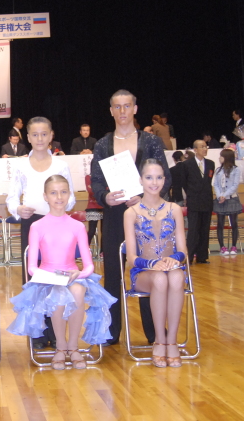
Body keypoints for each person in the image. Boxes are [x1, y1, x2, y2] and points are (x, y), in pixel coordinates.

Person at [7, 175, 115, 370]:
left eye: (63, 192)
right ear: (45, 196)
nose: (59, 197)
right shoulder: (37, 226)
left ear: (69, 194)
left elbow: (89, 266)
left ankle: (73, 347)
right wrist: (52, 277)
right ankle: (61, 346)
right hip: (47, 278)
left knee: (78, 291)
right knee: (58, 293)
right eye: (53, 193)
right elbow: (32, 267)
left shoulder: (77, 226)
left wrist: (78, 274)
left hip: (73, 275)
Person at [91, 89, 170, 346]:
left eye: (127, 106)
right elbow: (97, 181)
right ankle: (111, 332)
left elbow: (166, 178)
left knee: (149, 270)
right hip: (115, 216)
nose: (122, 111)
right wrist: (105, 197)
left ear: (135, 109)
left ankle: (154, 332)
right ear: (111, 110)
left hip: (146, 216)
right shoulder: (102, 144)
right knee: (113, 273)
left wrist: (145, 196)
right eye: (117, 106)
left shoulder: (151, 142)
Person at [6, 116, 75, 349]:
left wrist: (60, 205)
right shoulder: (20, 165)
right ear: (28, 137)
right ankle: (37, 332)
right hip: (32, 224)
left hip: (57, 224)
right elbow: (12, 198)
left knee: (58, 277)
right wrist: (18, 209)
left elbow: (71, 197)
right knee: (35, 279)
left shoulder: (60, 165)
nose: (39, 139)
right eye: (35, 135)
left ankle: (57, 333)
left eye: (44, 134)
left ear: (51, 135)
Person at [123, 159, 188, 368]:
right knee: (160, 279)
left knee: (176, 277)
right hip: (144, 273)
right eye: (149, 177)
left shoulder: (174, 208)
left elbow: (183, 251)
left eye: (159, 177)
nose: (154, 182)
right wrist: (152, 263)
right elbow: (131, 257)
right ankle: (159, 340)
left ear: (164, 180)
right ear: (140, 180)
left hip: (172, 268)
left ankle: (172, 341)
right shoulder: (131, 213)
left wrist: (173, 259)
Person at [182, 140, 215, 264]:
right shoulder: (187, 164)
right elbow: (184, 183)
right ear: (195, 150)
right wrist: (191, 194)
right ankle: (189, 257)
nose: (205, 149)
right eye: (202, 147)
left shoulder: (211, 163)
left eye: (206, 146)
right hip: (194, 201)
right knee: (193, 230)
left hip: (207, 201)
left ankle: (202, 256)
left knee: (204, 229)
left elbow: (209, 181)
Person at [213, 148, 242, 254]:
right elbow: (215, 184)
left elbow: (235, 185)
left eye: (221, 156)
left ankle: (234, 246)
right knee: (220, 224)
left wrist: (225, 195)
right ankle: (222, 246)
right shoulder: (218, 170)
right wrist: (219, 196)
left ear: (226, 157)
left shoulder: (236, 170)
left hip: (232, 199)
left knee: (234, 223)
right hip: (220, 199)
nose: (219, 158)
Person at [84, 175, 103, 247]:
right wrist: (103, 192)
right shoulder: (88, 177)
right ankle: (84, 249)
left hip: (104, 206)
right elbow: (91, 191)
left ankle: (103, 251)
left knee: (105, 231)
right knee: (92, 231)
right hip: (92, 207)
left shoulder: (105, 176)